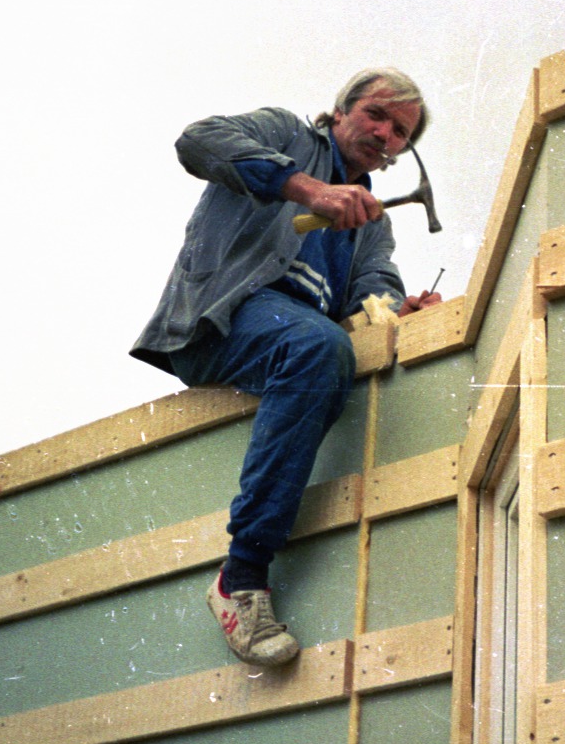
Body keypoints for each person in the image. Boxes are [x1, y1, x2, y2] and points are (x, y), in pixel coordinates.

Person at [130, 68, 442, 666]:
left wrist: (398, 309)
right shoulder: (284, 136)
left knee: (322, 343)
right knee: (318, 346)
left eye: (399, 130)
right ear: (343, 109)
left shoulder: (372, 220)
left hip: (295, 342)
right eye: (376, 115)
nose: (384, 133)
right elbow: (197, 141)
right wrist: (306, 189)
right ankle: (241, 577)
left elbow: (371, 291)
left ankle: (245, 569)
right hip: (220, 320)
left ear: (402, 151)